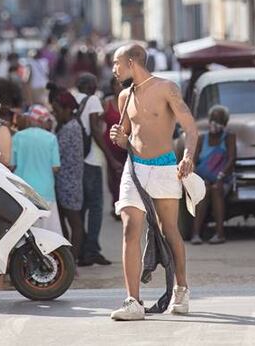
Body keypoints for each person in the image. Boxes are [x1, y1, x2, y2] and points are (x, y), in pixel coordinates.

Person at [108, 43, 198, 321]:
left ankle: (181, 288)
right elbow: (128, 136)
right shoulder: (124, 96)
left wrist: (188, 156)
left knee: (169, 229)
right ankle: (133, 301)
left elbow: (191, 127)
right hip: (135, 167)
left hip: (164, 167)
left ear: (132, 62)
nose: (113, 69)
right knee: (130, 228)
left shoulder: (167, 88)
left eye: (116, 62)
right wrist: (121, 139)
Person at [74, 73, 111, 266]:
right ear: (90, 86)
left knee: (80, 208)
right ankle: (92, 249)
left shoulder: (71, 98)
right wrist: (110, 158)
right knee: (96, 207)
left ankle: (80, 247)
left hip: (74, 161)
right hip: (92, 160)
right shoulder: (93, 100)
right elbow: (96, 130)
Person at [13, 104, 63, 234]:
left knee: (25, 231)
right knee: (48, 232)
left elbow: (12, 165)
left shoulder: (18, 137)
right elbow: (56, 167)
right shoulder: (51, 138)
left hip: (23, 189)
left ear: (30, 119)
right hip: (45, 191)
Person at [191, 105, 236, 245]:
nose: (215, 122)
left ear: (225, 123)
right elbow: (194, 159)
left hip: (223, 178)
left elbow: (231, 159)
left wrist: (221, 176)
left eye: (219, 120)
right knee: (204, 189)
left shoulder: (229, 137)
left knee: (216, 189)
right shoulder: (202, 138)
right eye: (213, 119)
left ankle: (220, 233)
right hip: (202, 177)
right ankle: (196, 234)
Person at [50, 87, 86, 262]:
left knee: (75, 222)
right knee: (64, 221)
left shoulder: (70, 128)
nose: (55, 115)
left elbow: (56, 151)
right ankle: (67, 258)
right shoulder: (69, 125)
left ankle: (72, 259)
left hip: (69, 183)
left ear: (66, 110)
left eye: (57, 111)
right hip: (66, 181)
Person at [101, 76, 127, 209]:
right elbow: (98, 121)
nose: (119, 87)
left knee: (126, 174)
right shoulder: (107, 102)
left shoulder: (130, 101)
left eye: (121, 84)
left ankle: (124, 202)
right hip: (111, 144)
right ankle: (115, 202)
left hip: (127, 144)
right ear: (112, 87)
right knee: (113, 175)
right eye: (116, 85)